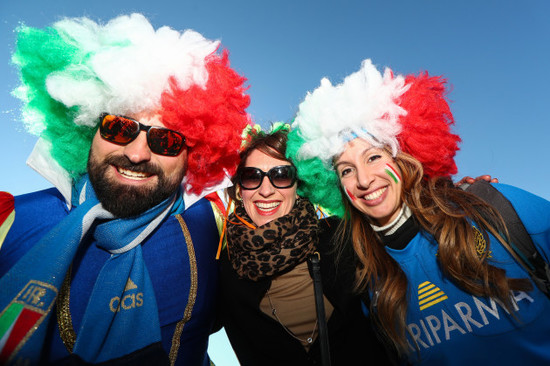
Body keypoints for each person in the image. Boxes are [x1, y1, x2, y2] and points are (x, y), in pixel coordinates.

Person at [0, 14, 250, 366]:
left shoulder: (216, 229)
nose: (136, 154)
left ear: (193, 155)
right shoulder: (11, 219)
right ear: (87, 130)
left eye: (166, 140)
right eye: (119, 128)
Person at [286, 59, 550, 365]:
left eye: (373, 156)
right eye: (346, 170)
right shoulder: (367, 278)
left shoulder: (498, 209)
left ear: (404, 159)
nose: (363, 179)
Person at [217, 123, 391, 365]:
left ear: (298, 185)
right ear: (240, 188)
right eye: (251, 177)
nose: (265, 190)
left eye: (281, 175)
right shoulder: (222, 271)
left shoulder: (344, 236)